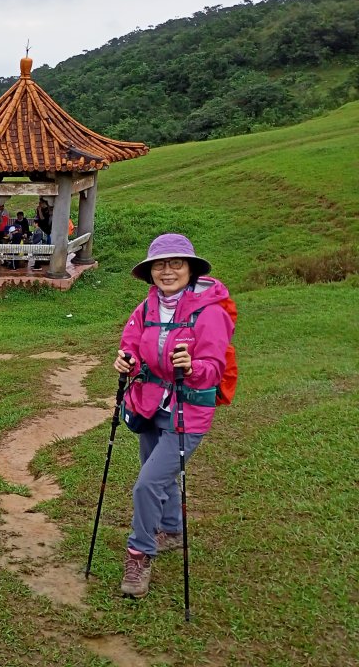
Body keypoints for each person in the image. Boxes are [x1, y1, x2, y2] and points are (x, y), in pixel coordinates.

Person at [112, 233, 233, 598]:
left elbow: (215, 368)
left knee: (148, 484)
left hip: (189, 410)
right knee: (160, 478)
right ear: (150, 272)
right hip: (148, 405)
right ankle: (172, 531)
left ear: (190, 268)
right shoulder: (145, 309)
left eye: (175, 264)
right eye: (160, 265)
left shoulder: (210, 312)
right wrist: (125, 360)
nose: (167, 272)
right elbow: (130, 346)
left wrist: (192, 366)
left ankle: (139, 553)